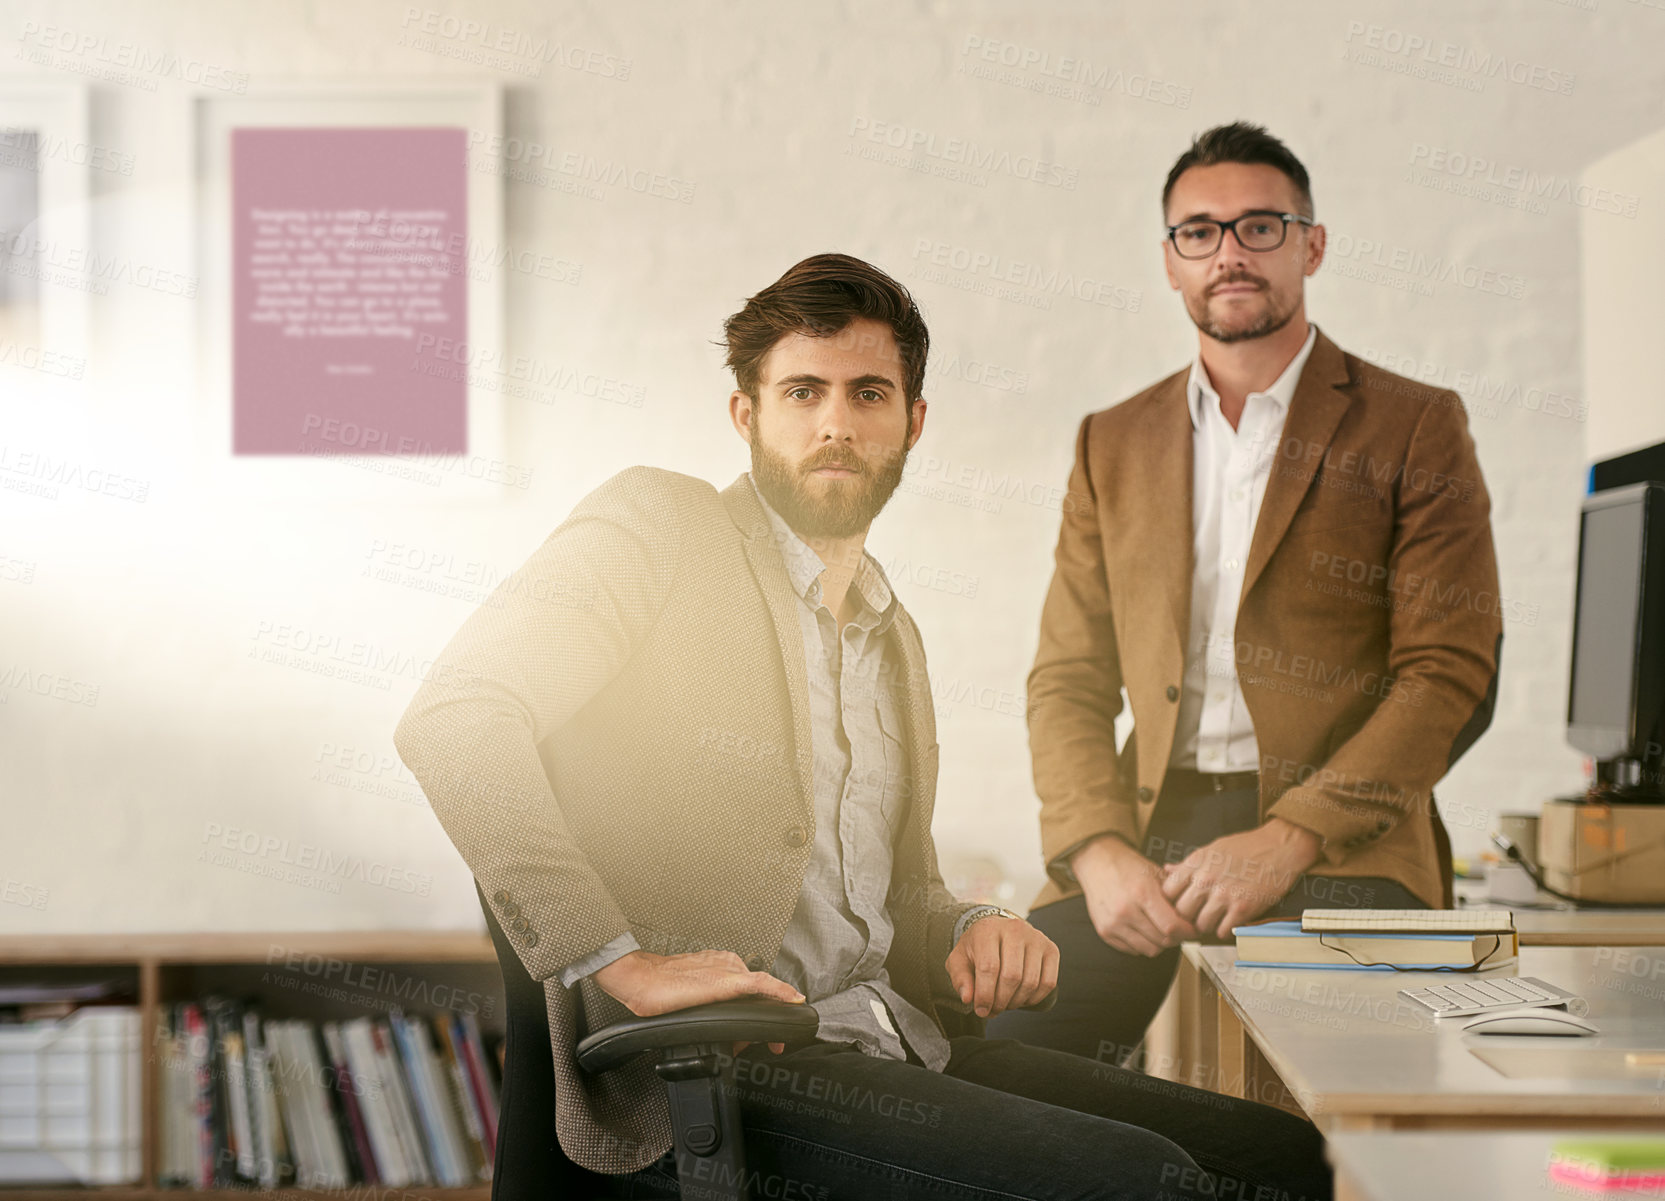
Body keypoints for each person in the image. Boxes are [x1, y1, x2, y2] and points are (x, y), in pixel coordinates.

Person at [394, 252, 1332, 1199]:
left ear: (911, 423)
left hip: (897, 1041)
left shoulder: (891, 634)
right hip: (722, 1070)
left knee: (1284, 1157)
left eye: (868, 393)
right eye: (802, 390)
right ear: (746, 415)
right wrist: (621, 963)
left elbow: (892, 906)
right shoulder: (660, 528)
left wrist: (974, 924)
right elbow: (457, 716)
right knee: (1149, 1182)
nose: (836, 422)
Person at [988, 123, 1504, 1068]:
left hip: (1344, 843)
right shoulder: (1112, 440)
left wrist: (1288, 837)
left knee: (1333, 1099)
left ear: (1310, 244)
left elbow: (1447, 672)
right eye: (1200, 231)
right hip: (1149, 832)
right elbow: (1066, 679)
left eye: (1260, 226)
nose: (1229, 251)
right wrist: (1096, 850)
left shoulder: (1414, 424)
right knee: (1003, 1055)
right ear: (1170, 261)